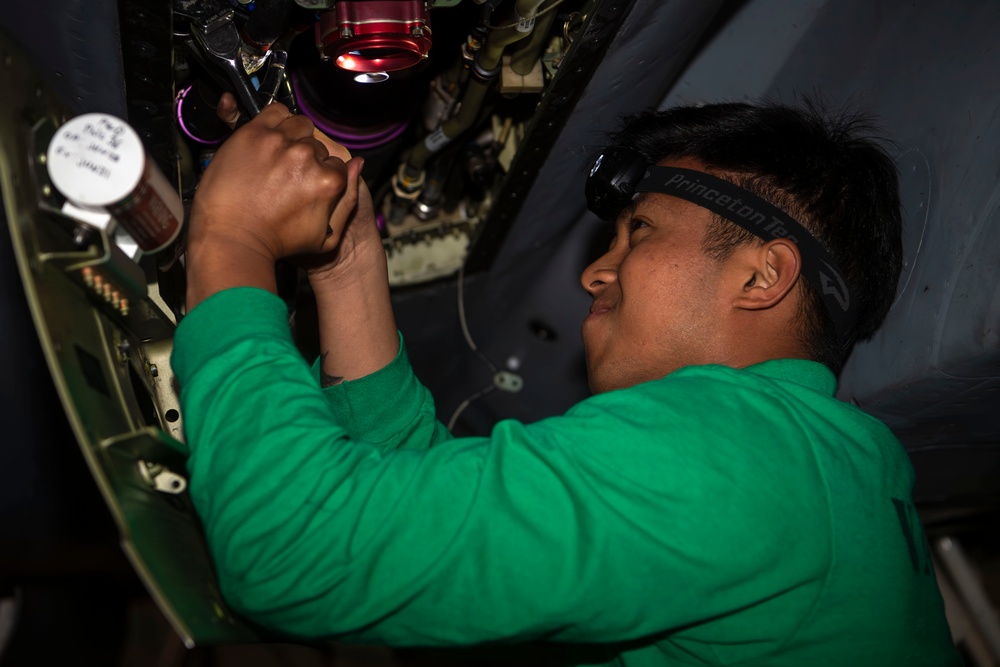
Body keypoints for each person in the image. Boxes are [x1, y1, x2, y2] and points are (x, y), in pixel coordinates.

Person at [171, 98, 961, 666]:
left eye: (638, 230)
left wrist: (229, 238)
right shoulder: (815, 472)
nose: (595, 270)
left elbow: (295, 545)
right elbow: (419, 511)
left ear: (764, 274)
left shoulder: (738, 452)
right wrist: (347, 271)